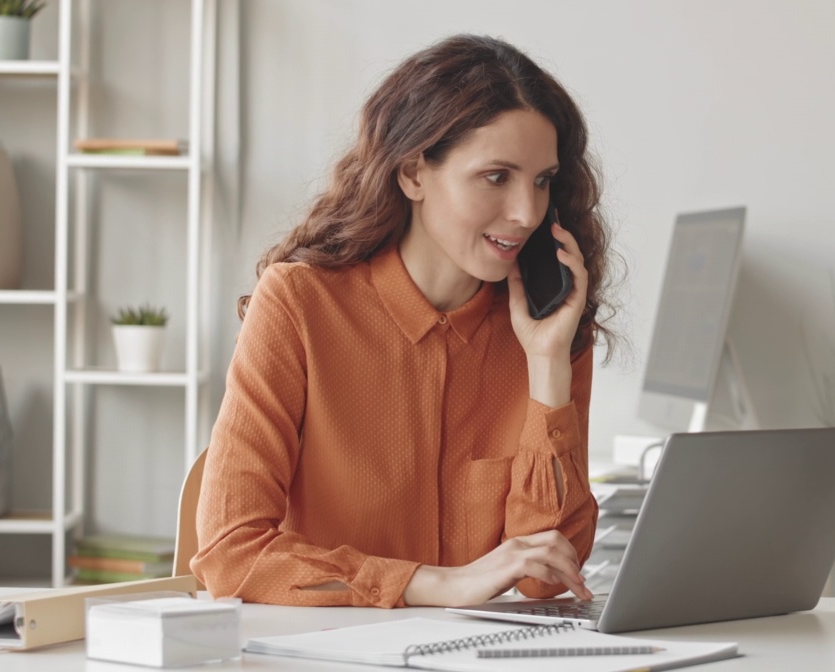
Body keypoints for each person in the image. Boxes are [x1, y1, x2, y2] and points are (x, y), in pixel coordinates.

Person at [191, 34, 618, 609]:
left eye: (541, 181)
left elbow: (546, 579)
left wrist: (546, 365)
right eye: (497, 176)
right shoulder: (299, 304)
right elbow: (230, 554)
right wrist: (437, 583)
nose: (526, 213)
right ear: (414, 173)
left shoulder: (551, 330)